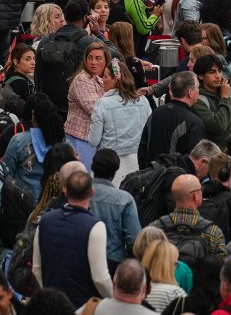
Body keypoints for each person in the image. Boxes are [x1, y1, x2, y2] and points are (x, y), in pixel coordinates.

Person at [33, 169, 113, 307]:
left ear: (66, 192)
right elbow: (100, 278)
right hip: (82, 305)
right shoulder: (95, 226)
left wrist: (47, 295)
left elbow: (36, 268)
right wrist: (113, 299)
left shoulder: (45, 221)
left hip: (51, 305)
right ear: (91, 193)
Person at [89, 56, 151, 182]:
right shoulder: (143, 101)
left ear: (115, 80)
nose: (102, 80)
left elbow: (93, 140)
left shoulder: (102, 104)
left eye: (105, 77)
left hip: (110, 165)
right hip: (137, 163)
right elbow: (149, 133)